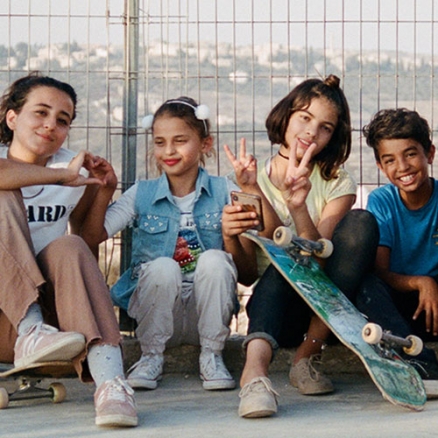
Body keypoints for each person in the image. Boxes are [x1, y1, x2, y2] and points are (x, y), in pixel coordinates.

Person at [224, 75, 379, 418]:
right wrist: (234, 226)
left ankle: (306, 358)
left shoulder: (338, 180)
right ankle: (255, 376)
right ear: (286, 116)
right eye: (305, 118)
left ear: (333, 136)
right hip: (273, 308)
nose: (311, 132)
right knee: (283, 266)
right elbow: (249, 275)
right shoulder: (252, 175)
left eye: (325, 127)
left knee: (360, 224)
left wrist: (298, 206)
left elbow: (317, 261)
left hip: (323, 307)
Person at [81, 97, 258, 392]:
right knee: (162, 267)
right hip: (159, 316)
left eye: (180, 140)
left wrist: (249, 192)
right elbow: (92, 236)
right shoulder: (142, 193)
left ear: (205, 144)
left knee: (214, 260)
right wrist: (105, 191)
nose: (169, 151)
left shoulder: (225, 190)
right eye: (160, 142)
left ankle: (212, 355)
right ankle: (151, 356)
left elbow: (248, 272)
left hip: (207, 314)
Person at [0, 72, 137, 427]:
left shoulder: (70, 172)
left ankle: (111, 384)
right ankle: (29, 330)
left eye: (62, 120)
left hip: (56, 334)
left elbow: (87, 245)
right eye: (40, 113)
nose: (51, 125)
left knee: (69, 246)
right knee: (3, 197)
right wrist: (60, 177)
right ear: (12, 118)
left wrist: (104, 190)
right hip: (6, 318)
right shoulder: (56, 172)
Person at [356, 108, 438, 392]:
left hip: (435, 305)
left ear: (430, 153)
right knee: (366, 285)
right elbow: (381, 270)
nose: (402, 167)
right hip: (400, 305)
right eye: (390, 160)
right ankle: (418, 360)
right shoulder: (382, 201)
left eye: (411, 154)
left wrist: (431, 284)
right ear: (380, 166)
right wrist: (419, 281)